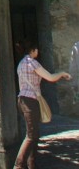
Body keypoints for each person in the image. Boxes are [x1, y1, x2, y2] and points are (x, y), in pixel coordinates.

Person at [13, 40, 70, 169]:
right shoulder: (31, 63)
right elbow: (50, 77)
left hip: (22, 100)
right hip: (30, 101)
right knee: (31, 135)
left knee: (34, 133)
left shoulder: (21, 64)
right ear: (33, 50)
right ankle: (18, 165)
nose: (37, 52)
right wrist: (62, 74)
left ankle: (31, 163)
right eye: (36, 49)